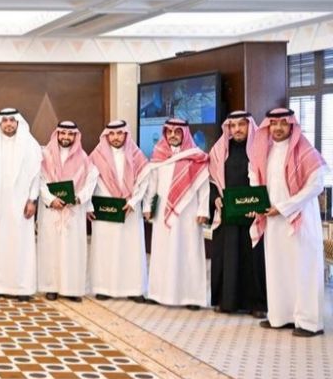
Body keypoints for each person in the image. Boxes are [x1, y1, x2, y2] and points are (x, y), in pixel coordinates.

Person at [250, 108, 327, 337]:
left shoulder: (305, 151)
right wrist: (255, 203)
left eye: (283, 123)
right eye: (273, 123)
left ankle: (309, 322)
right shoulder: (264, 152)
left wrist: (284, 208)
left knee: (303, 269)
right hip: (273, 222)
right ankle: (281, 316)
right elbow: (255, 178)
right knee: (277, 268)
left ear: (292, 125)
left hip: (300, 220)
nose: (278, 128)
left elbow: (316, 186)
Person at [142, 118, 210, 309]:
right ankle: (158, 294)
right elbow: (152, 185)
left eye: (177, 132)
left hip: (188, 213)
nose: (173, 135)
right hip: (162, 212)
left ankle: (192, 298)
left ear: (184, 134)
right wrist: (148, 207)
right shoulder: (158, 155)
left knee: (189, 252)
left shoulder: (196, 157)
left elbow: (203, 187)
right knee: (161, 252)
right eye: (169, 132)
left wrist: (203, 210)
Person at [0, 108, 42, 301]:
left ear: (17, 123)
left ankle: (22, 288)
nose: (8, 124)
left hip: (21, 204)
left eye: (11, 120)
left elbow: (36, 176)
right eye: (5, 120)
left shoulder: (30, 145)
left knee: (21, 244)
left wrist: (32, 199)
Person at [208, 111, 266, 316]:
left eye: (242, 124)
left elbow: (268, 180)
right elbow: (211, 180)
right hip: (228, 214)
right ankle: (226, 301)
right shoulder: (219, 150)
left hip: (252, 215)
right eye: (233, 125)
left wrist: (258, 205)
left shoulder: (261, 149)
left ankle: (256, 305)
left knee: (253, 260)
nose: (237, 129)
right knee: (226, 257)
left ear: (249, 126)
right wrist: (215, 198)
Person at [87, 120, 149, 301]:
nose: (115, 137)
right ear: (107, 136)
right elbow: (89, 182)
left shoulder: (136, 155)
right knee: (105, 249)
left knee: (132, 250)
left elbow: (144, 180)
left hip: (130, 209)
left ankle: (134, 290)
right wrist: (89, 206)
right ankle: (104, 288)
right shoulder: (96, 155)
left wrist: (133, 201)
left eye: (119, 133)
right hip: (105, 208)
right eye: (112, 134)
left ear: (125, 134)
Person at [37, 121, 98, 302]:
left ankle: (72, 289)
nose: (66, 137)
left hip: (74, 211)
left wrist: (79, 198)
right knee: (51, 249)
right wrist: (51, 199)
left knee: (73, 250)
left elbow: (91, 180)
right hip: (51, 211)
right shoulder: (45, 156)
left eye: (70, 134)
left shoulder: (84, 158)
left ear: (75, 136)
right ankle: (51, 287)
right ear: (57, 134)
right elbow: (39, 180)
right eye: (62, 133)